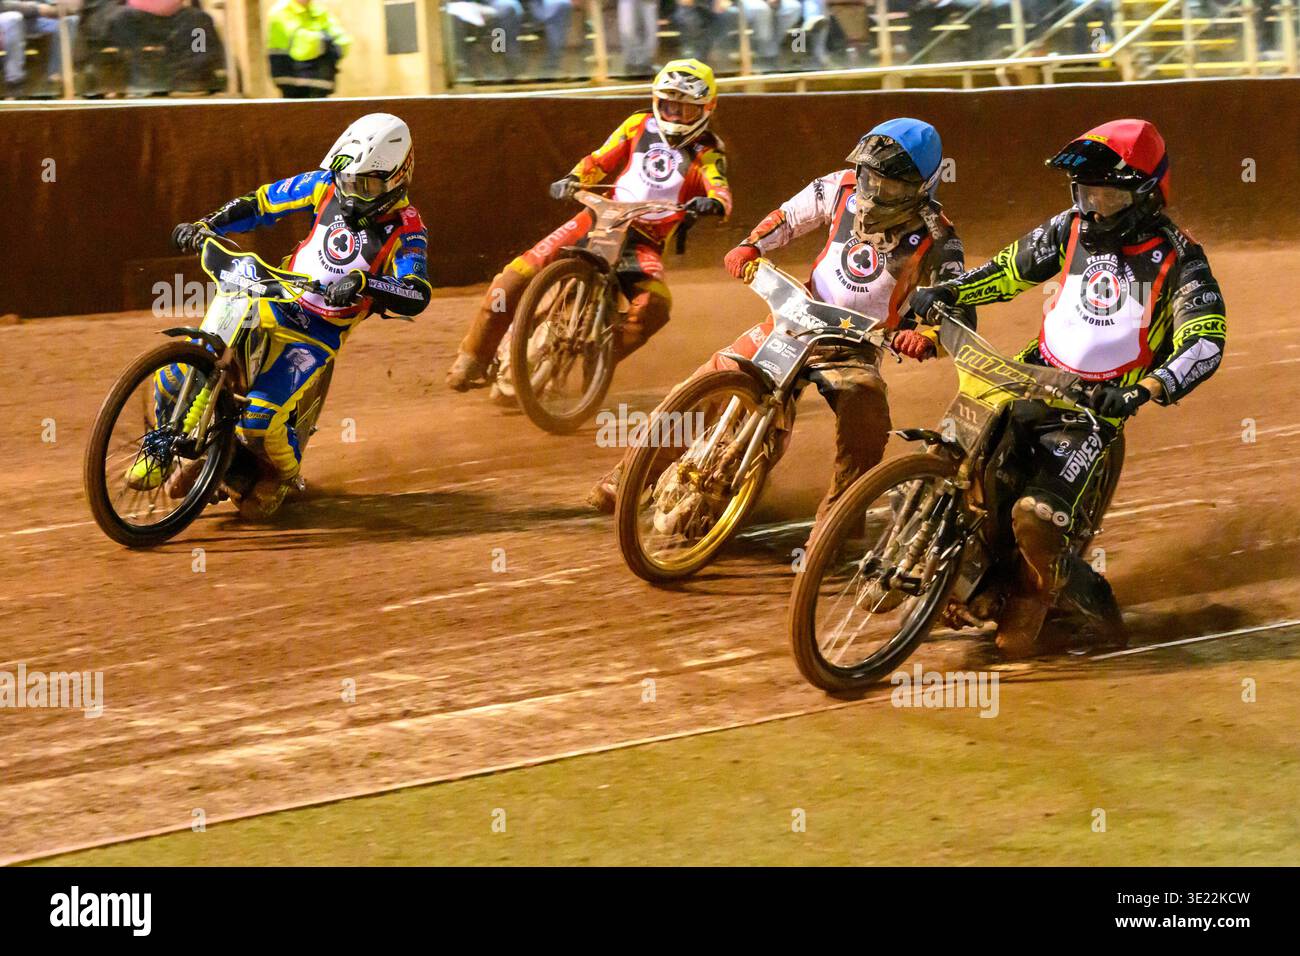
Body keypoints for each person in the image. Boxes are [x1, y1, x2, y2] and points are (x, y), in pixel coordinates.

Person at [906, 118, 1227, 646]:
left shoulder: (1180, 260)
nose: (1091, 205)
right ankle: (961, 572)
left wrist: (1143, 391)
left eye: (1106, 194)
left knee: (1035, 520)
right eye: (1084, 191)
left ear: (1145, 195)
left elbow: (1205, 342)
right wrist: (951, 292)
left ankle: (1098, 612)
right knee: (944, 458)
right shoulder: (1070, 226)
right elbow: (1009, 270)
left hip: (1094, 411)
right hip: (1027, 374)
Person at [588, 118, 967, 522]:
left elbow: (955, 309)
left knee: (867, 419)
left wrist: (926, 336)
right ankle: (628, 474)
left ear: (921, 187)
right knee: (711, 376)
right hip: (797, 317)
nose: (872, 191)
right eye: (868, 177)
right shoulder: (840, 186)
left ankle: (837, 525)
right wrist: (751, 246)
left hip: (857, 346)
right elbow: (791, 216)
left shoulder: (940, 239)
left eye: (887, 185)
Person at [151, 114, 432, 519]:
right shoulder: (327, 184)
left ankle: (281, 473)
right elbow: (263, 203)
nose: (350, 193)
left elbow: (417, 292)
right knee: (179, 370)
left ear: (397, 177)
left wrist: (364, 285)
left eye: (364, 186)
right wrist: (206, 224)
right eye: (347, 182)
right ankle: (164, 446)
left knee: (259, 421)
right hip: (275, 292)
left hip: (318, 331)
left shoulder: (408, 230)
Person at [445, 58, 731, 392]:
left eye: (685, 110)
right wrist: (573, 178)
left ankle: (598, 359)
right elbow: (599, 160)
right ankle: (474, 357)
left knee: (655, 306)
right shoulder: (638, 124)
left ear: (706, 109)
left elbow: (721, 190)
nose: (675, 116)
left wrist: (712, 203)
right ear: (657, 101)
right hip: (600, 217)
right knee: (515, 276)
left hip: (644, 240)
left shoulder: (709, 151)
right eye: (669, 107)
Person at [266, 0, 350, 98]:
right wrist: (327, 42)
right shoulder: (281, 11)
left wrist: (322, 41)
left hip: (320, 80)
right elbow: (303, 45)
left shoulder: (319, 11)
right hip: (292, 78)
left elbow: (344, 41)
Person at [0, 1, 79, 96]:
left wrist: (60, 4)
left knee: (70, 20)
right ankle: (14, 84)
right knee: (14, 18)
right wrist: (37, 8)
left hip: (32, 17)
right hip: (6, 15)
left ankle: (57, 74)